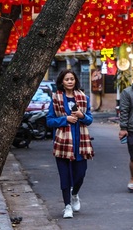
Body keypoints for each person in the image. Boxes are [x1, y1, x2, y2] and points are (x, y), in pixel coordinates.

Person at [46, 69, 94, 219]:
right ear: (61, 82)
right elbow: (49, 121)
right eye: (66, 79)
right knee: (65, 176)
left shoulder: (84, 98)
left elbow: (90, 120)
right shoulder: (56, 99)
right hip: (62, 144)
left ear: (75, 81)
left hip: (81, 145)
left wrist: (82, 116)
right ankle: (67, 206)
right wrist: (65, 119)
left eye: (72, 79)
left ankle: (75, 194)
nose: (69, 81)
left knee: (80, 174)